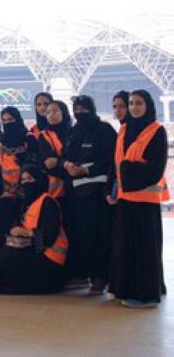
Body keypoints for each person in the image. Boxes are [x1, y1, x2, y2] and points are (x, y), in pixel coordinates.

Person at [110, 89, 169, 308]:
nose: (134, 107)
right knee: (126, 248)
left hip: (145, 201)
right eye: (132, 103)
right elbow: (116, 163)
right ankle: (125, 289)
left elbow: (155, 168)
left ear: (148, 106)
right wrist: (115, 187)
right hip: (125, 199)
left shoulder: (157, 131)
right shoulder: (124, 129)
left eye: (139, 103)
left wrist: (127, 171)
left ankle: (146, 294)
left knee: (145, 250)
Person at [63, 95, 117, 294]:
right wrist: (67, 164)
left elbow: (111, 159)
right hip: (74, 192)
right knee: (79, 235)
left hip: (96, 193)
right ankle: (82, 273)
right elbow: (65, 156)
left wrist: (87, 171)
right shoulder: (73, 131)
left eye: (84, 108)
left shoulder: (104, 130)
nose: (80, 112)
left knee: (98, 236)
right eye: (76, 108)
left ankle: (100, 277)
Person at [0, 167, 68, 295]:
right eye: (23, 180)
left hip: (49, 256)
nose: (26, 183)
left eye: (29, 179)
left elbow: (48, 237)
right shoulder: (29, 203)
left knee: (6, 257)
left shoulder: (48, 202)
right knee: (0, 252)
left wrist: (26, 233)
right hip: (35, 248)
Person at [37, 100, 71, 202]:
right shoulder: (44, 135)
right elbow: (49, 163)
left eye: (55, 111)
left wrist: (58, 161)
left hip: (76, 186)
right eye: (48, 112)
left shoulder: (74, 132)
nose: (51, 115)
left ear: (64, 113)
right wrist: (66, 163)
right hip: (55, 190)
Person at [0, 106, 37, 192]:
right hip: (7, 188)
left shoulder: (28, 137)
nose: (7, 123)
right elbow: (0, 163)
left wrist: (24, 158)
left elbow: (35, 161)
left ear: (17, 119)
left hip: (26, 185)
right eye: (4, 120)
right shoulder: (2, 141)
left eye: (11, 119)